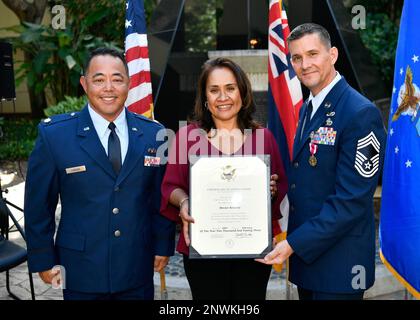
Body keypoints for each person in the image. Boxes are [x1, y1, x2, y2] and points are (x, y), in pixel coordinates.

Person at [24, 47, 175, 300]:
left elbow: (159, 197)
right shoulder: (55, 136)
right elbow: (39, 204)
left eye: (117, 79)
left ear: (128, 83)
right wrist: (42, 259)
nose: (109, 88)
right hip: (81, 268)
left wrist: (162, 244)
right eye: (99, 79)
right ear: (84, 84)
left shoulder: (154, 134)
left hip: (136, 266)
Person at [258, 23, 386, 300]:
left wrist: (293, 243)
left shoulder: (360, 113)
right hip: (309, 260)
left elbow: (350, 200)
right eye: (296, 58)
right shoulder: (308, 107)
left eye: (313, 54)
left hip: (341, 265)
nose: (305, 64)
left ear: (333, 55)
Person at [160, 57, 288, 300]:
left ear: (242, 92)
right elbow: (171, 187)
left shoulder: (263, 137)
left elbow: (280, 186)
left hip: (253, 251)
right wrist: (185, 201)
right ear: (205, 97)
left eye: (230, 88)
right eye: (214, 90)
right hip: (203, 249)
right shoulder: (187, 137)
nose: (223, 97)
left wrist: (268, 189)